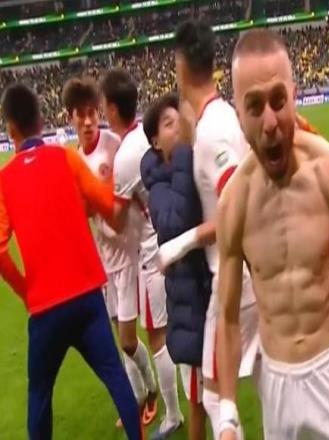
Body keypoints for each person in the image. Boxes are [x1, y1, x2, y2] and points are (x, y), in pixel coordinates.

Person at [216, 28, 329, 440]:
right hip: (276, 384)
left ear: (294, 96)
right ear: (238, 114)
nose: (270, 123)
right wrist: (227, 413)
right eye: (254, 106)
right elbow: (227, 318)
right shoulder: (234, 203)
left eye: (278, 101)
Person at [0, 83, 142, 440]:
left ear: (11, 129)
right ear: (41, 122)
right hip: (86, 296)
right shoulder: (66, 158)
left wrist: (25, 291)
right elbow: (107, 204)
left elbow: (0, 251)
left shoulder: (5, 180)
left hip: (45, 308)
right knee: (115, 377)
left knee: (39, 395)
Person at [155, 20, 259, 438]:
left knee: (217, 398)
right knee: (263, 387)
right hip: (248, 276)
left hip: (233, 281)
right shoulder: (219, 118)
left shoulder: (213, 131)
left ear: (180, 67)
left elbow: (236, 209)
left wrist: (180, 244)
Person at [100, 68, 183, 437]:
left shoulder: (124, 158)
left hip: (153, 253)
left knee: (158, 338)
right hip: (164, 242)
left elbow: (116, 223)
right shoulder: (140, 139)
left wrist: (91, 203)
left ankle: (173, 415)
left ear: (112, 109)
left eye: (103, 105)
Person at [62, 77, 148, 413]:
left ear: (99, 113)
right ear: (70, 117)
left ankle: (152, 389)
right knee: (118, 339)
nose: (87, 121)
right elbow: (81, 211)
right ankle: (139, 398)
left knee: (127, 340)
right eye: (80, 115)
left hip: (128, 251)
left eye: (92, 113)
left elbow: (122, 195)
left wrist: (92, 200)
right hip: (103, 259)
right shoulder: (73, 160)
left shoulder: (114, 145)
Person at [141, 93, 213, 440]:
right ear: (156, 142)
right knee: (200, 401)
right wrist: (184, 152)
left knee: (220, 396)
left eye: (179, 121)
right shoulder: (158, 185)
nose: (179, 128)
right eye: (169, 124)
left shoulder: (195, 163)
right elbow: (175, 224)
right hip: (191, 304)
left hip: (210, 293)